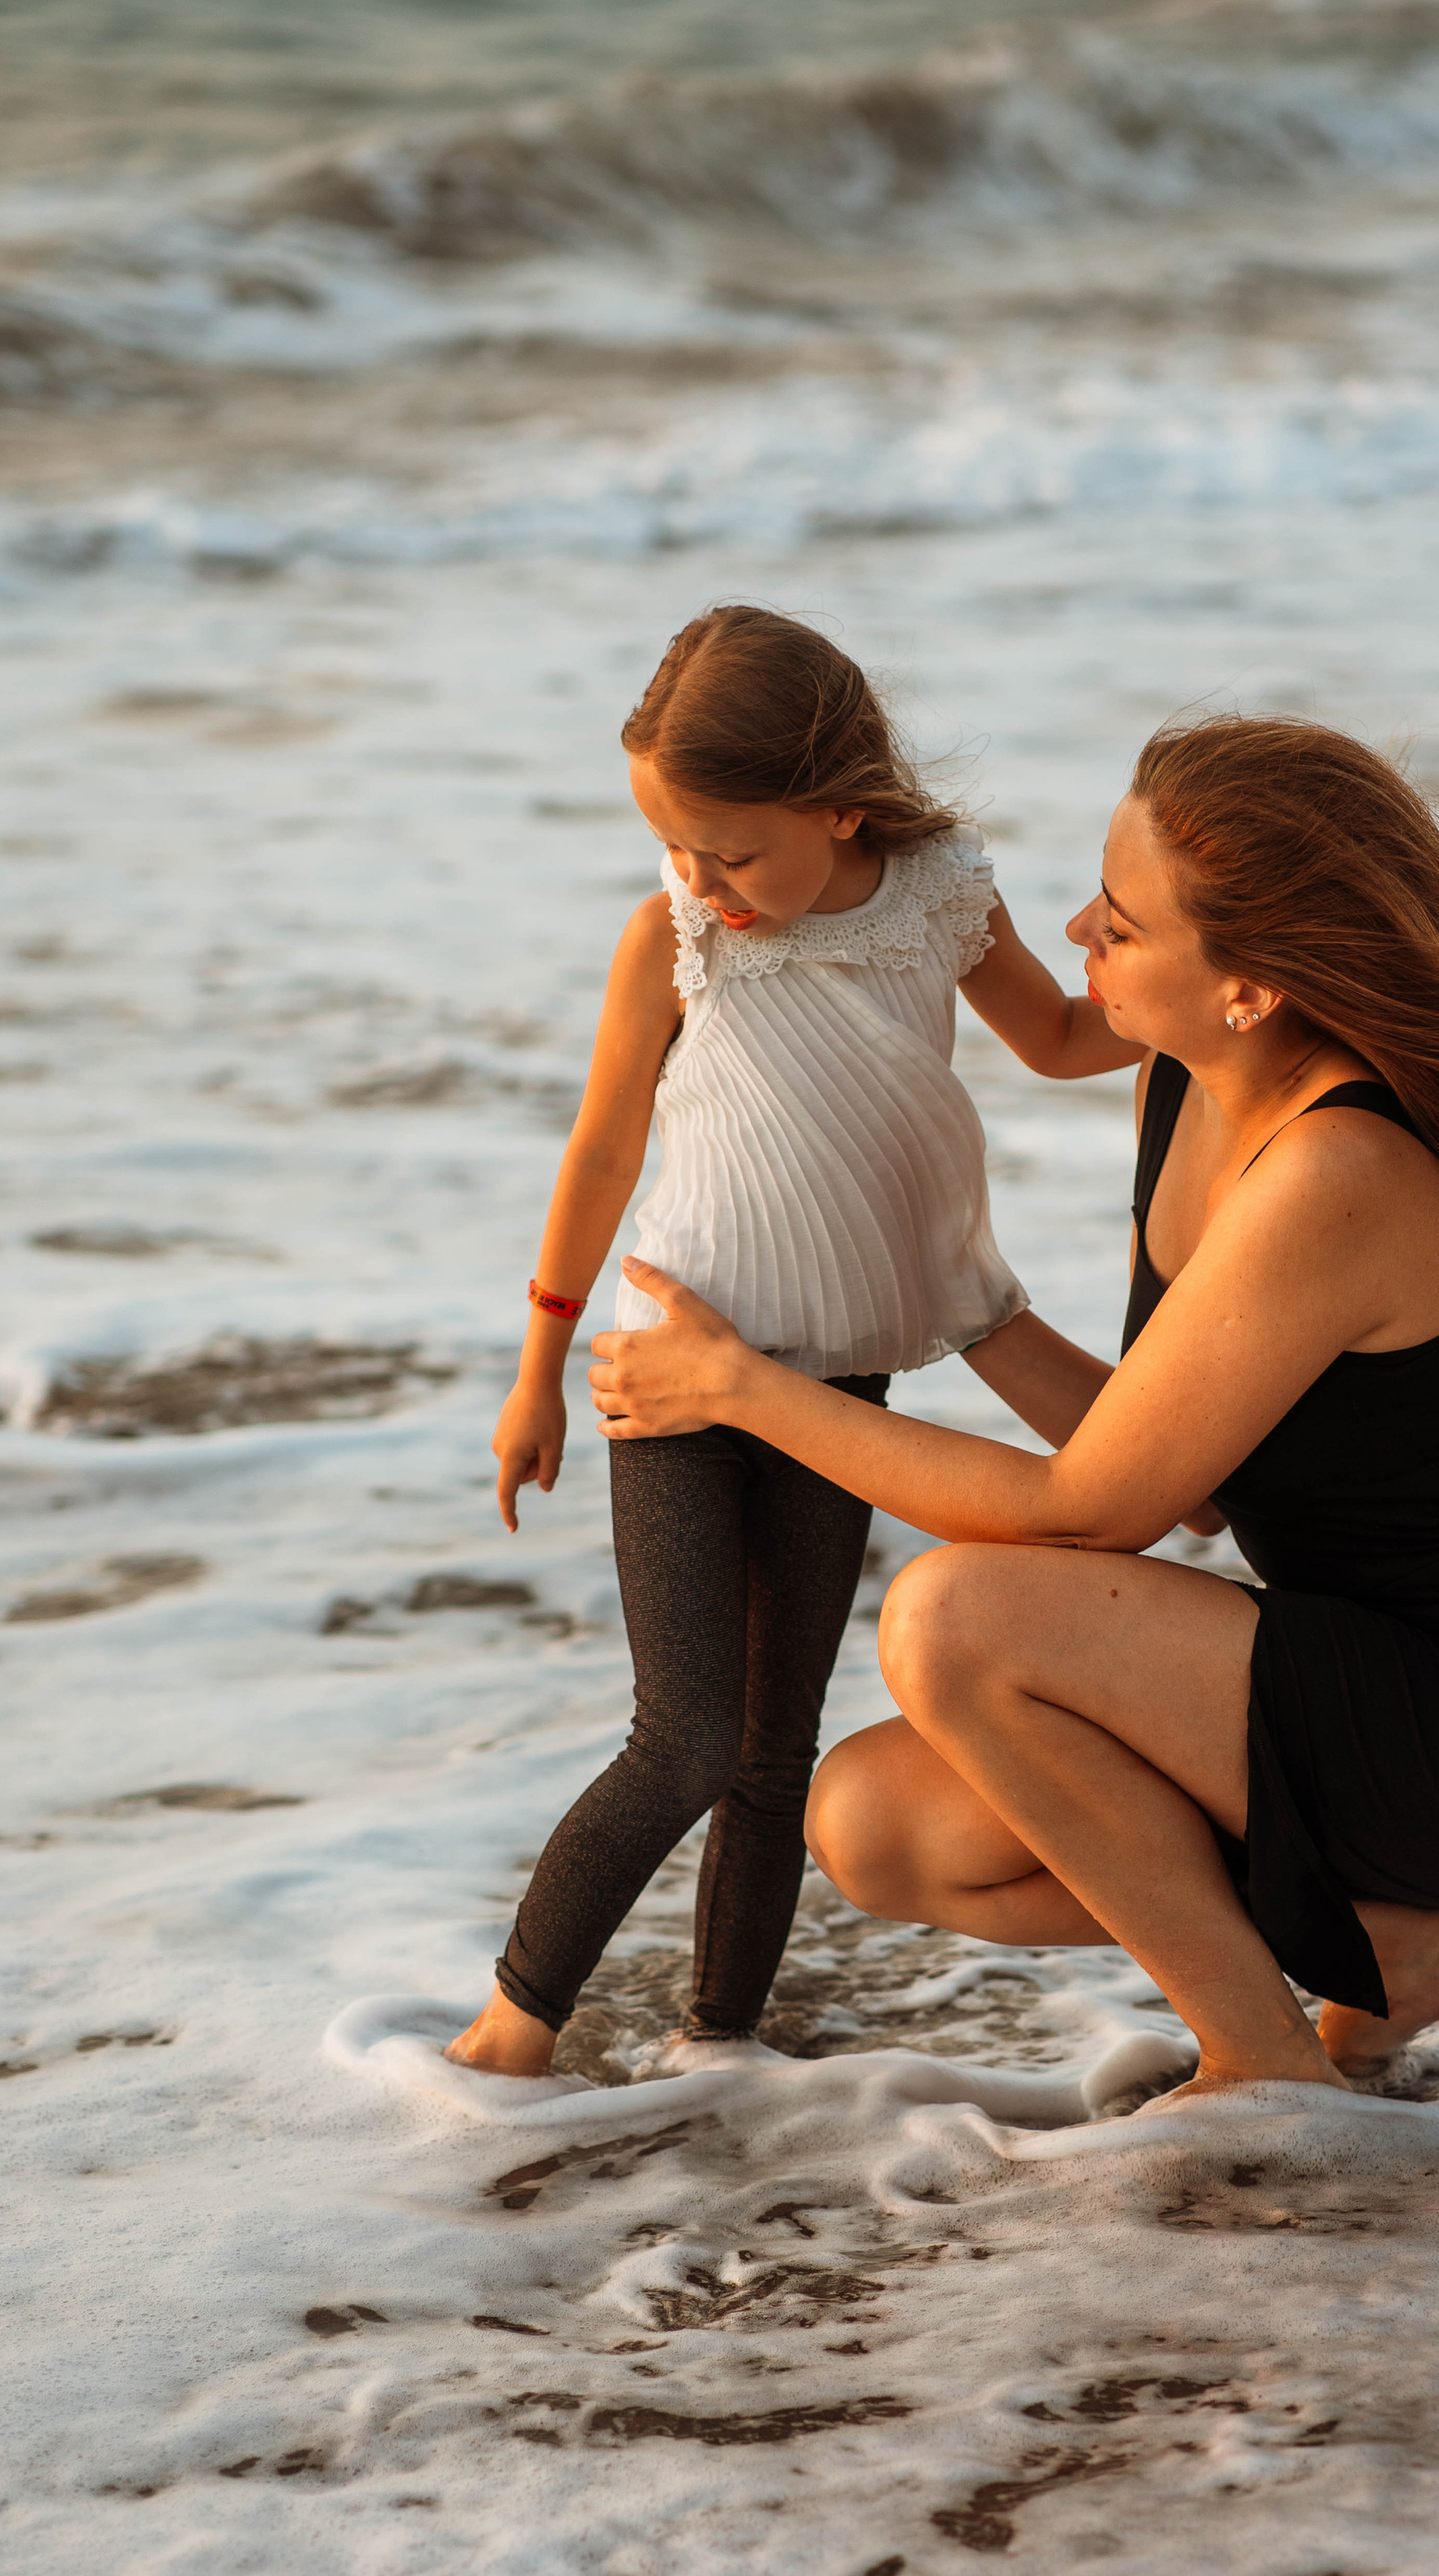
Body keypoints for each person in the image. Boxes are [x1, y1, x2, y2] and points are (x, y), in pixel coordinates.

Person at [586, 717, 1439, 2097]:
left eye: (1121, 920)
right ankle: (1384, 1951)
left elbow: (1097, 1508)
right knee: (874, 1824)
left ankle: (1259, 2057)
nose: (1074, 931)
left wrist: (743, 1393)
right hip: (1325, 1680)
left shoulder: (1340, 1172)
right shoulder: (1194, 1080)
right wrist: (974, 1306)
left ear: (1251, 988)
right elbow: (1205, 1485)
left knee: (952, 1617)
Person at [445, 605, 1143, 2078]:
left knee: (774, 1757)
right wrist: (538, 1372)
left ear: (839, 805)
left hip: (840, 1383)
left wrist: (1247, 985)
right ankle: (511, 2026)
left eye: (732, 849)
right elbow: (600, 1152)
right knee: (684, 1737)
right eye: (675, 846)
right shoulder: (680, 936)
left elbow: (1067, 1042)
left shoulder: (945, 900)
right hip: (675, 1378)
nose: (700, 881)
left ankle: (724, 2045)